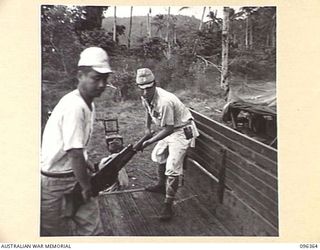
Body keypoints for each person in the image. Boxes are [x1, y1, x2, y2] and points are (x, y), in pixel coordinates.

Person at [40, 47, 112, 236]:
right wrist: (86, 186)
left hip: (75, 176)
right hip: (54, 181)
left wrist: (88, 168)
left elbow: (76, 146)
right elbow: (74, 152)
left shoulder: (89, 103)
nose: (102, 85)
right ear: (80, 75)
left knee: (93, 232)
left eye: (105, 79)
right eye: (96, 78)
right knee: (55, 237)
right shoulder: (74, 106)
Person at [135, 68, 199, 221]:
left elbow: (169, 128)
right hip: (169, 129)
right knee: (158, 154)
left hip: (181, 131)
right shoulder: (145, 96)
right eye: (141, 89)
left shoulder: (164, 101)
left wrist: (149, 141)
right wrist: (147, 128)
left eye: (148, 88)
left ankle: (168, 205)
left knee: (172, 167)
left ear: (154, 84)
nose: (145, 92)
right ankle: (160, 185)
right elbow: (148, 111)